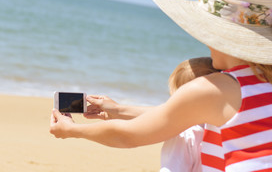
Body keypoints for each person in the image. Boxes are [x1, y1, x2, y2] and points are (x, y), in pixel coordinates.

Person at [50, 0, 272, 171]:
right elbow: (184, 118)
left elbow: (129, 136)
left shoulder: (215, 90)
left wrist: (73, 131)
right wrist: (117, 109)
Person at [84, 57, 219, 172]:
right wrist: (117, 111)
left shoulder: (184, 135)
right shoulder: (222, 127)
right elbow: (163, 114)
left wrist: (73, 130)